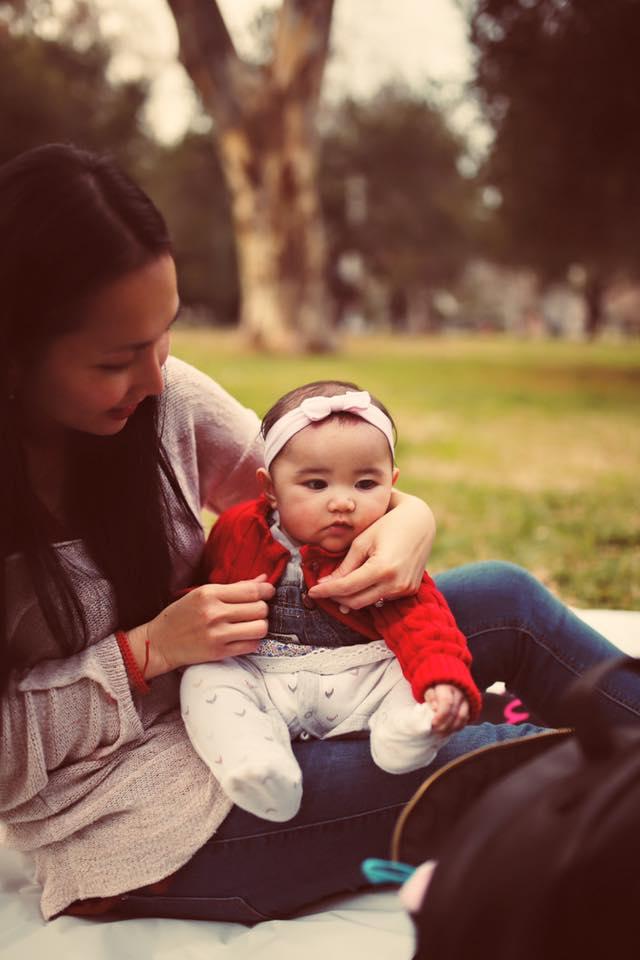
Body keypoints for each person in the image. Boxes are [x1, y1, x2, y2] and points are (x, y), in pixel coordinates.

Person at [1, 143, 639, 926]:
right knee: (521, 763)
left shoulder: (162, 398)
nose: (158, 378)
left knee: (505, 597)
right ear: (14, 354)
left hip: (280, 679)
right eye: (117, 360)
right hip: (148, 812)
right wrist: (148, 653)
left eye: (165, 335)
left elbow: (295, 480)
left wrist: (409, 517)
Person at [180, 382, 482, 821]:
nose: (342, 502)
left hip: (359, 674)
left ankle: (406, 734)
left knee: (403, 673)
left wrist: (442, 678)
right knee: (206, 680)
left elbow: (423, 620)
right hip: (265, 675)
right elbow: (204, 592)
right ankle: (257, 764)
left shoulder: (383, 546)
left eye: (365, 483)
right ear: (270, 489)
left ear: (392, 483)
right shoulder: (237, 530)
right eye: (316, 484)